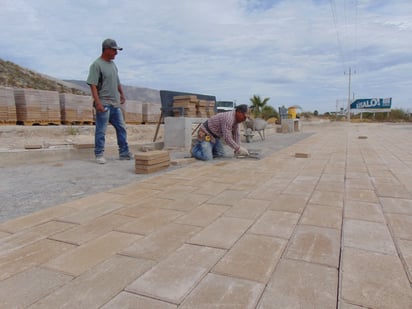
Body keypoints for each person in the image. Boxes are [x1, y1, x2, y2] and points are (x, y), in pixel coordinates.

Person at [87, 38, 133, 164]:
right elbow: (93, 85)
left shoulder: (113, 65)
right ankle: (99, 154)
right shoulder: (96, 65)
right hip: (104, 103)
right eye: (114, 50)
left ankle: (124, 153)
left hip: (115, 103)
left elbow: (117, 81)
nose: (116, 53)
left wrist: (122, 94)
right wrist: (98, 103)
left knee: (121, 128)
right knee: (101, 130)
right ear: (106, 50)